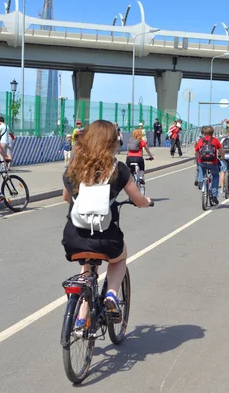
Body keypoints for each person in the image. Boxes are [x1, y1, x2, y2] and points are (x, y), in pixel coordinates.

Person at [62, 120, 151, 323]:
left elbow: (66, 198)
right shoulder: (118, 169)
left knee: (87, 266)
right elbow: (137, 199)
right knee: (119, 257)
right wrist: (145, 202)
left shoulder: (74, 167)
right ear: (112, 142)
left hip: (74, 237)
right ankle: (111, 293)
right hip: (106, 238)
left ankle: (80, 320)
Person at [195, 126, 224, 206]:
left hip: (202, 161)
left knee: (201, 167)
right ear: (212, 133)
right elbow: (221, 151)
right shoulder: (215, 140)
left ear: (204, 133)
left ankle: (200, 180)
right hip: (212, 162)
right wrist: (222, 157)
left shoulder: (200, 141)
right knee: (215, 176)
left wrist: (199, 158)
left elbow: (196, 151)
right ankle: (214, 196)